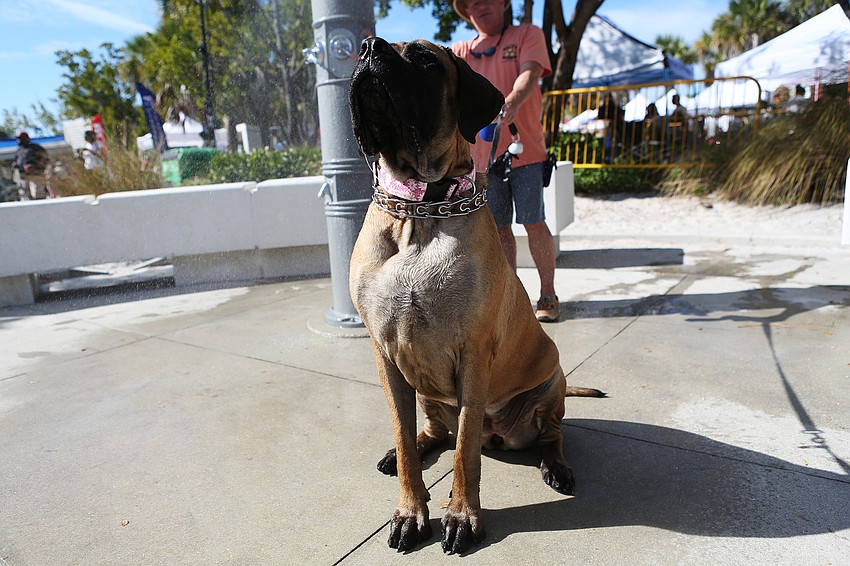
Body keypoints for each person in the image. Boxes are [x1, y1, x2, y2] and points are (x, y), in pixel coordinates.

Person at [451, 0, 560, 322]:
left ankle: (548, 294)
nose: (479, 6)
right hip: (482, 161)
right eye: (471, 3)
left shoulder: (528, 34)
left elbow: (529, 74)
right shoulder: (459, 51)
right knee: (498, 229)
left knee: (533, 221)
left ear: (502, 4)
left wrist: (510, 101)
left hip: (524, 151)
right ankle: (510, 300)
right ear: (467, 12)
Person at [11, 132, 49, 200]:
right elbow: (16, 161)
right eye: (18, 139)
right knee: (25, 195)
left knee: (38, 194)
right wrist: (15, 164)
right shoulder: (19, 150)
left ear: (26, 139)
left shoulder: (36, 148)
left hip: (36, 174)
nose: (19, 140)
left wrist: (34, 165)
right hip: (23, 176)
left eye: (21, 139)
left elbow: (45, 159)